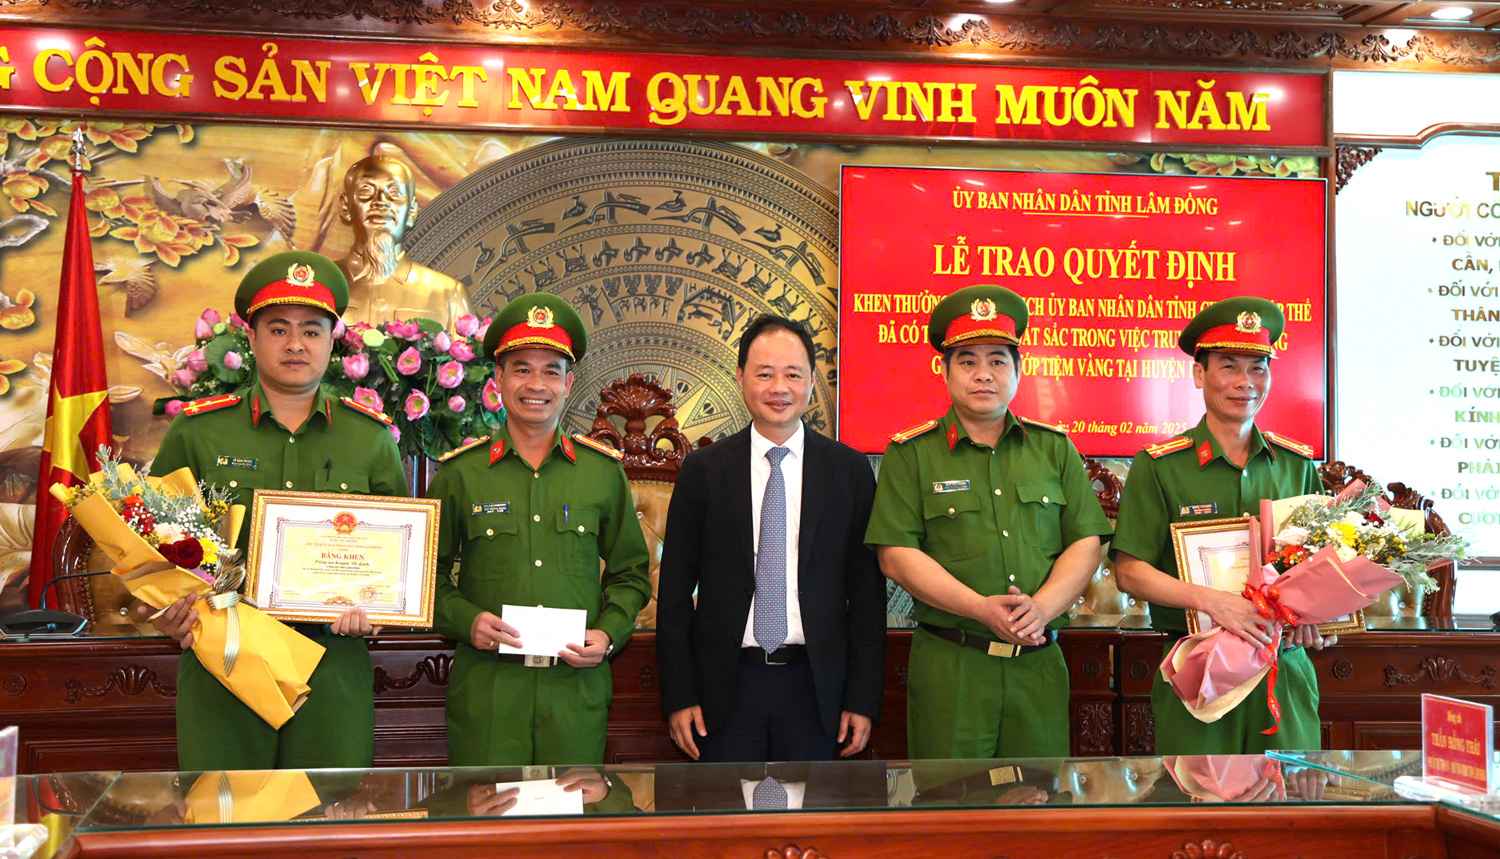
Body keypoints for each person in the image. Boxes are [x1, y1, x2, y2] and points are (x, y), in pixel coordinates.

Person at [151, 250, 409, 770]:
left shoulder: (371, 439)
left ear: (333, 341)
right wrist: (169, 611)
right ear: (251, 337)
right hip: (224, 662)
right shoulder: (199, 431)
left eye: (312, 330)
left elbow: (397, 559)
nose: (295, 344)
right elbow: (154, 539)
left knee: (329, 811)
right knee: (224, 809)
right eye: (278, 329)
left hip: (332, 667)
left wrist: (381, 610)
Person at [865, 285, 1111, 759]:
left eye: (998, 361)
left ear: (1018, 370)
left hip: (1038, 666)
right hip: (953, 667)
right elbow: (896, 555)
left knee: (1041, 796)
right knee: (950, 796)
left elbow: (1085, 540)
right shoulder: (911, 453)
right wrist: (981, 609)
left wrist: (1041, 608)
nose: (983, 374)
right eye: (967, 361)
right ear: (944, 371)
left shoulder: (1054, 449)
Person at [427, 292, 650, 766]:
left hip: (574, 692)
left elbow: (631, 574)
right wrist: (467, 621)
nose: (536, 384)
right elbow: (427, 579)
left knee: (570, 812)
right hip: (489, 692)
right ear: (499, 379)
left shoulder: (601, 472)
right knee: (486, 813)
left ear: (569, 383)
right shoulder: (460, 474)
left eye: (551, 371)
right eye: (522, 369)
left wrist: (608, 635)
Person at [657, 315, 885, 763]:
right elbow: (675, 592)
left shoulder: (849, 471)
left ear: (811, 381)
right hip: (724, 688)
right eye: (764, 374)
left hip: (818, 687)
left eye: (793, 375)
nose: (779, 388)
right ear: (741, 377)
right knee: (725, 809)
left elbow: (866, 595)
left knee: (815, 809)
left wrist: (862, 699)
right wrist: (679, 695)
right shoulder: (704, 471)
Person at [1111, 295, 1331, 753]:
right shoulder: (1160, 466)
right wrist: (1213, 602)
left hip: (1283, 670)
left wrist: (1317, 619)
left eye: (1258, 368)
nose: (1245, 382)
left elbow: (1319, 565)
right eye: (1228, 367)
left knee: (1290, 791)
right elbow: (1130, 572)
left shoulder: (1296, 465)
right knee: (1200, 794)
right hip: (1199, 669)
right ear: (1199, 374)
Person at [336, 155, 474, 328]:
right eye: (366, 192)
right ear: (345, 206)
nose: (380, 201)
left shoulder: (448, 294)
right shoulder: (318, 285)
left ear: (412, 211)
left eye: (394, 193)